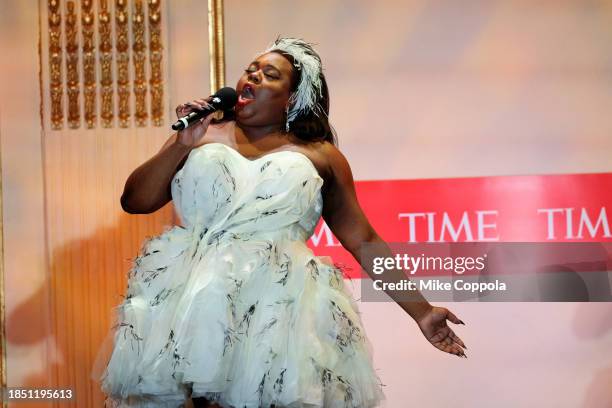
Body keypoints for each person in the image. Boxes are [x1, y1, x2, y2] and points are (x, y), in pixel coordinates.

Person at [94, 37, 467, 408]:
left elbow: (363, 238)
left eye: (269, 75)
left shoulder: (321, 156)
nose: (252, 77)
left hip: (279, 305)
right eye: (250, 70)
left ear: (292, 97)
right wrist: (180, 144)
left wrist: (421, 311)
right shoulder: (200, 135)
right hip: (192, 293)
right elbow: (135, 201)